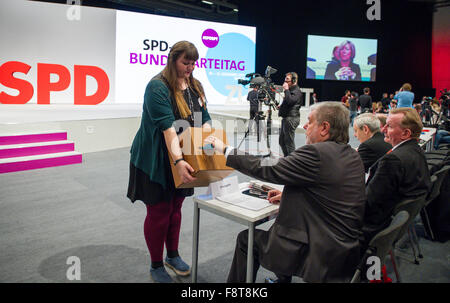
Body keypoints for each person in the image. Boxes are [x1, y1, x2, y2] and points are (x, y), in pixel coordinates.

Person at [205, 102, 366, 283]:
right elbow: (330, 192)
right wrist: (288, 196)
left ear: (324, 128)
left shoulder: (316, 153)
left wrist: (225, 150)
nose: (304, 125)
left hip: (319, 249)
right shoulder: (352, 154)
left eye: (310, 122)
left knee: (247, 240)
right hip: (344, 248)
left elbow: (266, 168)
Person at [127, 41, 212, 283]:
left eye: (193, 62)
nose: (190, 67)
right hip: (155, 158)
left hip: (182, 156)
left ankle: (172, 255)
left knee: (175, 207)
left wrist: (208, 144)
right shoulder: (157, 87)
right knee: (159, 211)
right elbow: (168, 131)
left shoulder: (195, 86)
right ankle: (156, 264)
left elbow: (204, 120)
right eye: (186, 62)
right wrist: (177, 162)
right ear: (173, 59)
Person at [362, 108, 431, 248]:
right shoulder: (416, 151)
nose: (383, 130)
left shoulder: (393, 160)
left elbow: (369, 202)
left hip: (372, 226)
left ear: (406, 133)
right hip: (391, 224)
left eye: (390, 126)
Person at [278, 72, 302, 156]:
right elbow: (288, 103)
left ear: (294, 80)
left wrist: (286, 90)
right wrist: (281, 107)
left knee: (289, 143)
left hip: (291, 119)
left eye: (287, 79)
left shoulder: (297, 91)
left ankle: (292, 162)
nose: (285, 81)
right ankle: (287, 158)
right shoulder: (291, 91)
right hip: (286, 118)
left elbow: (290, 101)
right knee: (282, 141)